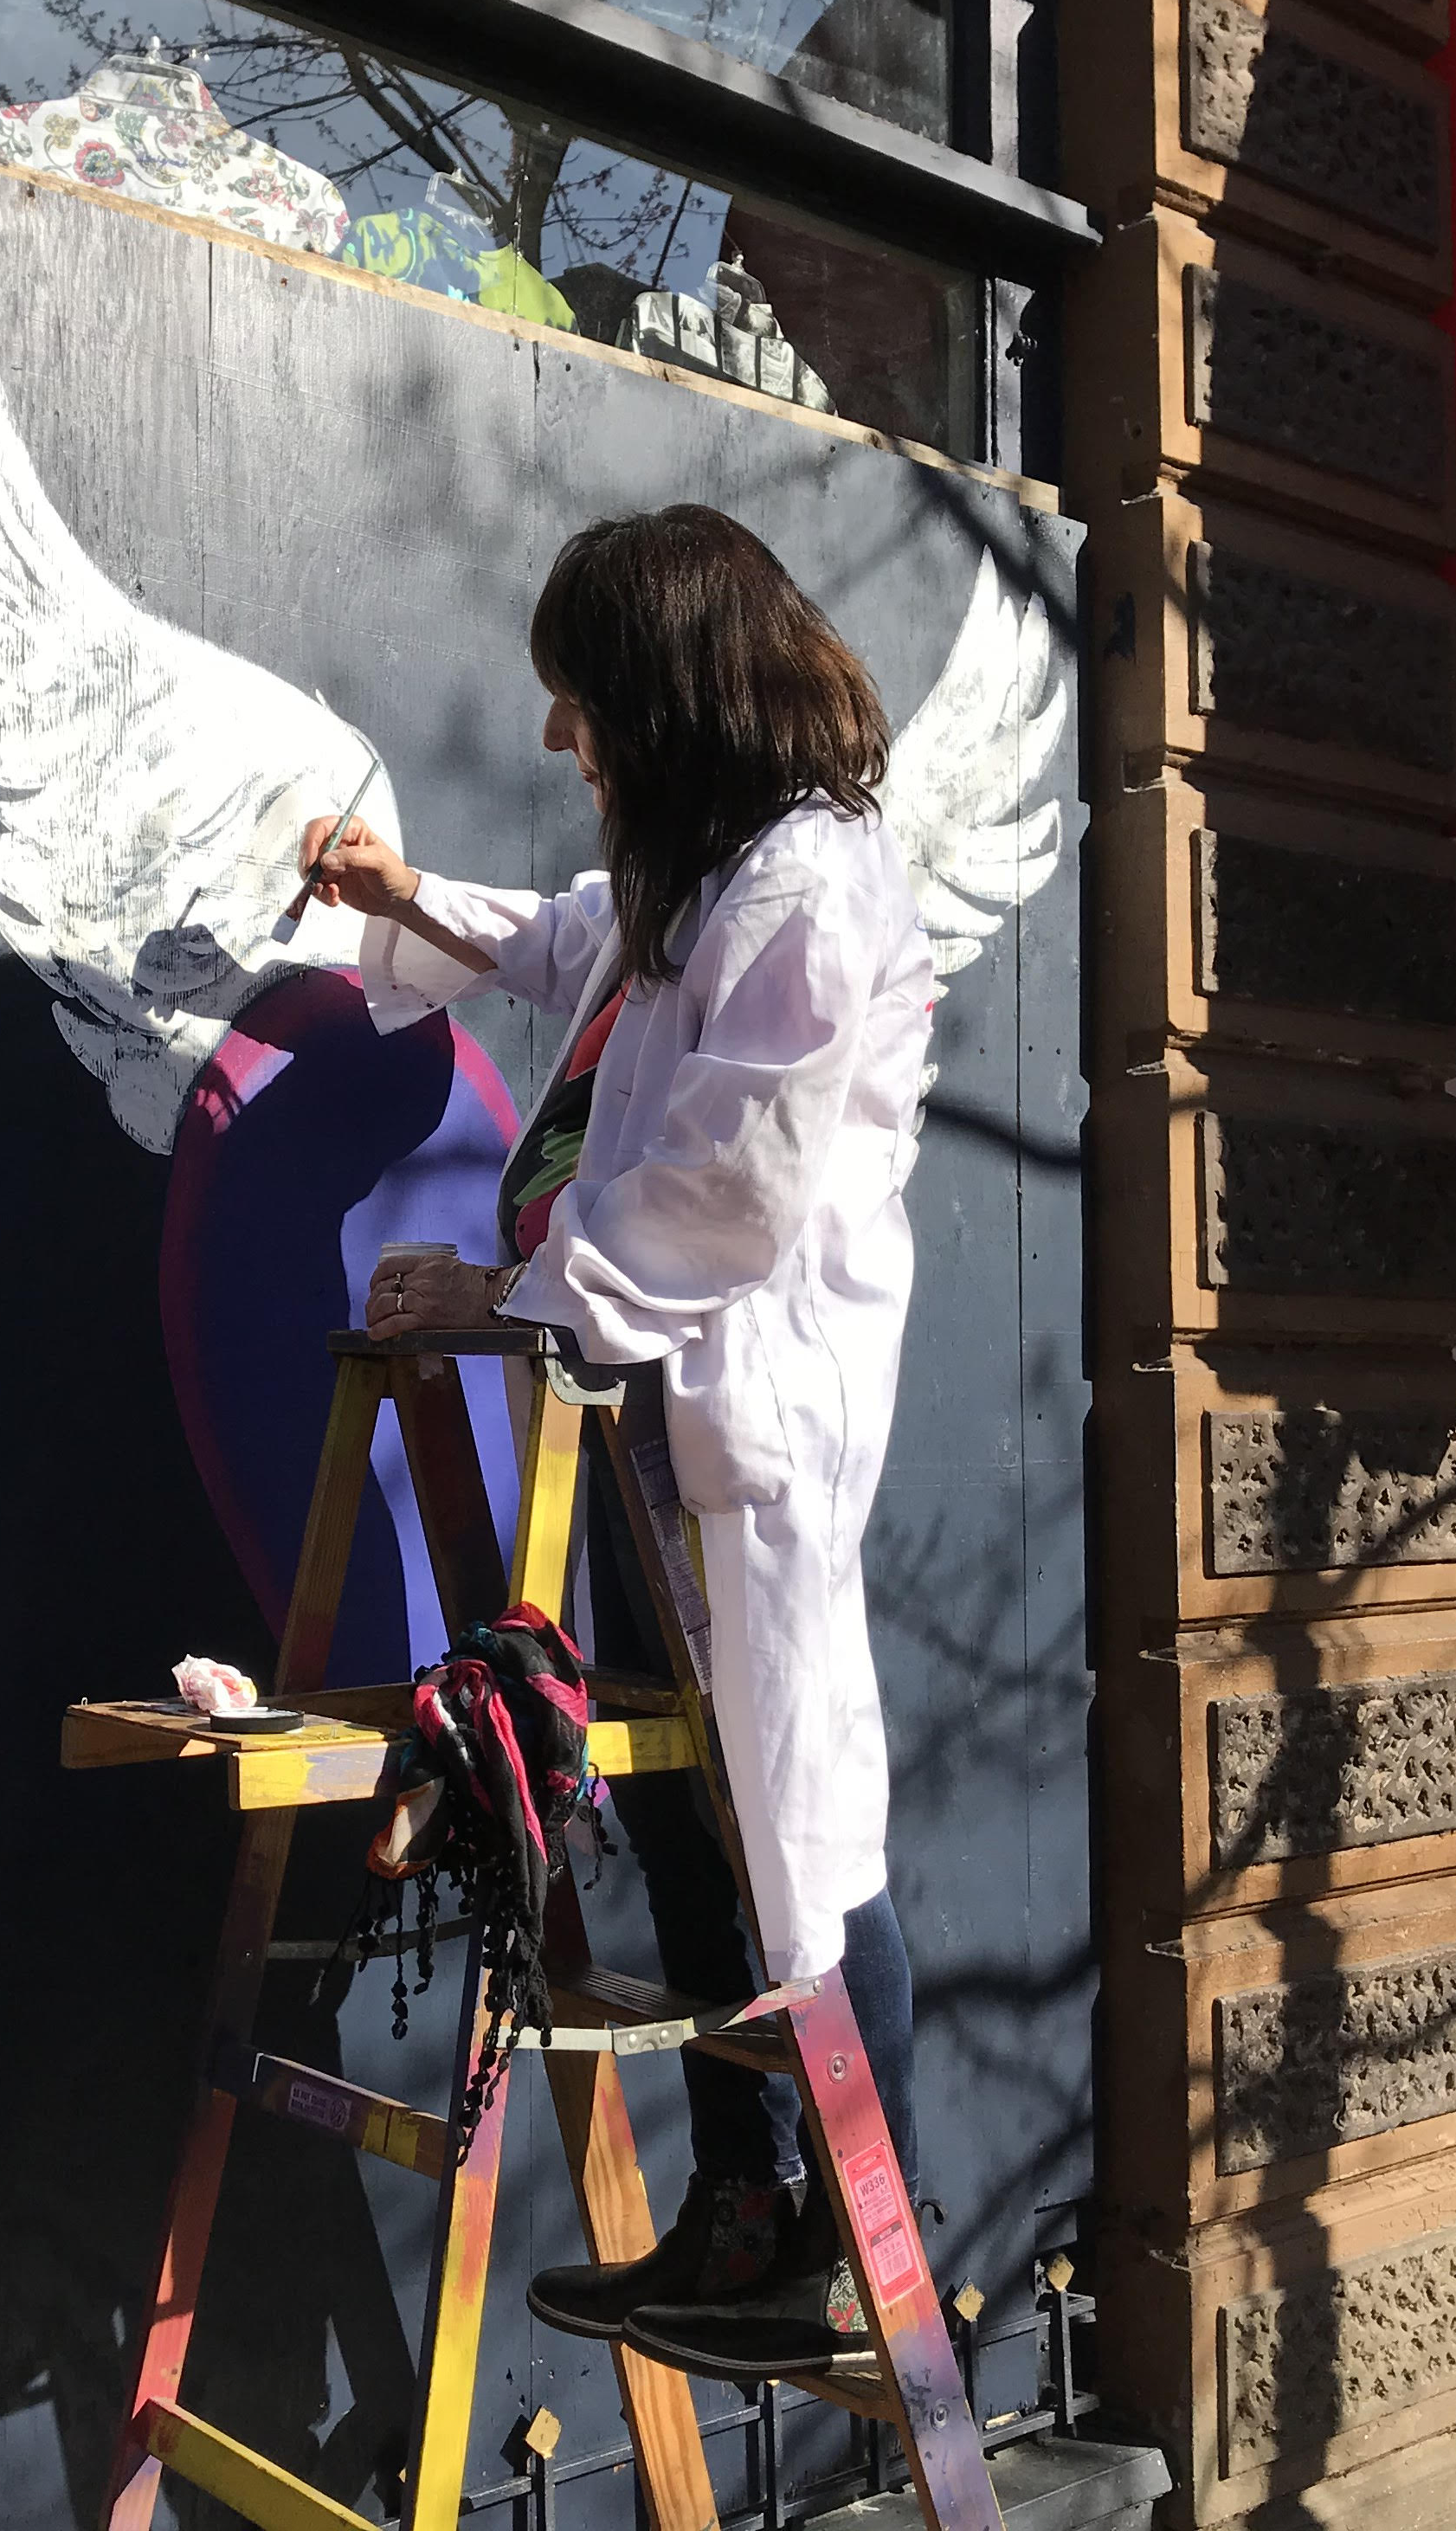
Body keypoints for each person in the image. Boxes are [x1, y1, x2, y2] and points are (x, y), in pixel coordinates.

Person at [294, 504, 933, 2381]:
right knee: (675, 1808)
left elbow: (726, 1188)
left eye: (580, 699)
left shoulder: (808, 894)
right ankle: (744, 2213)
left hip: (737, 1423)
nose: (561, 738)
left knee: (792, 1822)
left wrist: (506, 1293)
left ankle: (854, 2247)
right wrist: (411, 896)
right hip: (643, 1422)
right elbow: (570, 945)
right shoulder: (699, 882)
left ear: (668, 693)